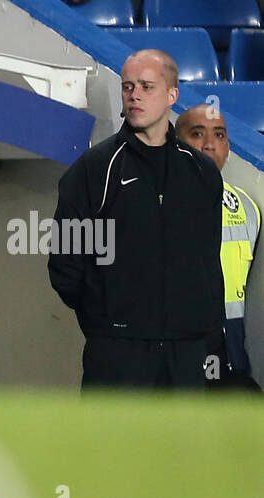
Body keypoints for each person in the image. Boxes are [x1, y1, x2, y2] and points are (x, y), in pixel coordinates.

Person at [49, 50, 223, 390]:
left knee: (180, 445)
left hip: (186, 355)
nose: (135, 95)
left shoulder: (201, 173)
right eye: (128, 87)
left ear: (172, 95)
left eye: (146, 86)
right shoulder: (95, 168)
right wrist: (109, 324)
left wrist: (200, 329)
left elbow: (207, 261)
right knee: (112, 445)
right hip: (116, 355)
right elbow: (66, 264)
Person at [175, 103, 261, 391]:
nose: (210, 144)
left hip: (233, 360)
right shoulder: (150, 204)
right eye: (197, 134)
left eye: (219, 135)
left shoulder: (248, 209)